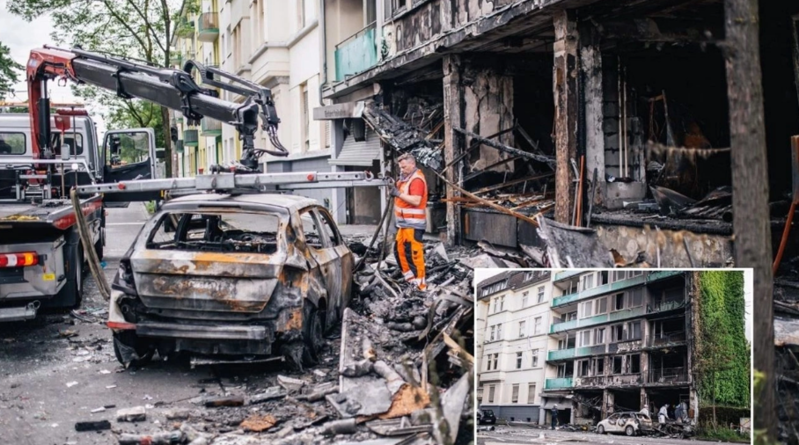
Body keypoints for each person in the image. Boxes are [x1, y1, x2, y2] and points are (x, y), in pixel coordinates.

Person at [389, 153, 428, 291]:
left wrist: (398, 193)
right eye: (400, 167)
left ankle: (420, 286)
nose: (402, 169)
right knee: (399, 251)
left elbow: (416, 201)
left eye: (404, 167)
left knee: (413, 255)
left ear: (412, 164)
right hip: (404, 225)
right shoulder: (405, 179)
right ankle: (410, 280)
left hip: (414, 225)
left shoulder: (417, 180)